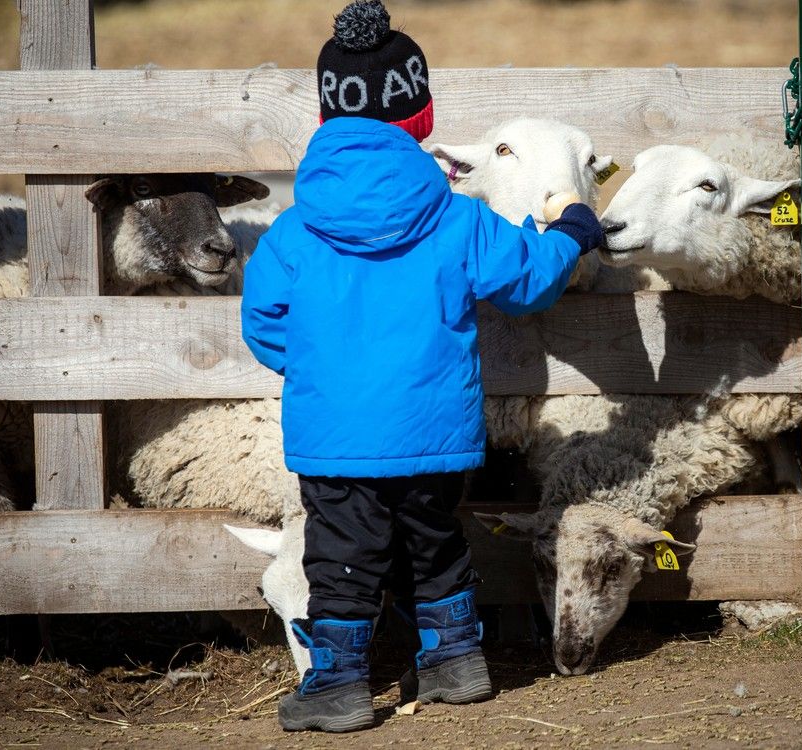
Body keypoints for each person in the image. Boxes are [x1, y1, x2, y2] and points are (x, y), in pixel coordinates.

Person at [240, 0, 603, 733]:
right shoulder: (456, 219)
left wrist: (321, 370)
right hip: (436, 433)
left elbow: (263, 323)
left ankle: (339, 684)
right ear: (421, 116)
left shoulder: (293, 232)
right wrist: (572, 229)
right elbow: (531, 281)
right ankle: (457, 660)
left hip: (336, 439)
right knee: (436, 542)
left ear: (326, 117)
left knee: (341, 559)